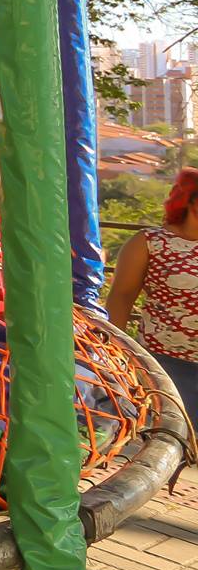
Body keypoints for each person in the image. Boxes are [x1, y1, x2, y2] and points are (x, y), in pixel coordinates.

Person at [108, 166, 198, 410]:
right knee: (170, 438)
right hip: (165, 366)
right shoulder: (150, 243)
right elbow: (121, 298)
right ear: (191, 202)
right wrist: (117, 356)